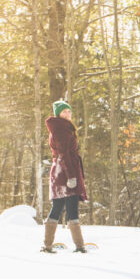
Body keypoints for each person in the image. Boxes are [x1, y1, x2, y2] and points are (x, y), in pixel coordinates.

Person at [43, 100, 89, 253]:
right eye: (64, 112)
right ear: (58, 114)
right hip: (64, 172)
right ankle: (80, 247)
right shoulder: (61, 129)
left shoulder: (61, 127)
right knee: (69, 209)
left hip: (60, 172)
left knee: (60, 207)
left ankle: (49, 245)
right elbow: (63, 154)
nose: (68, 113)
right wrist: (71, 176)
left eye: (69, 111)